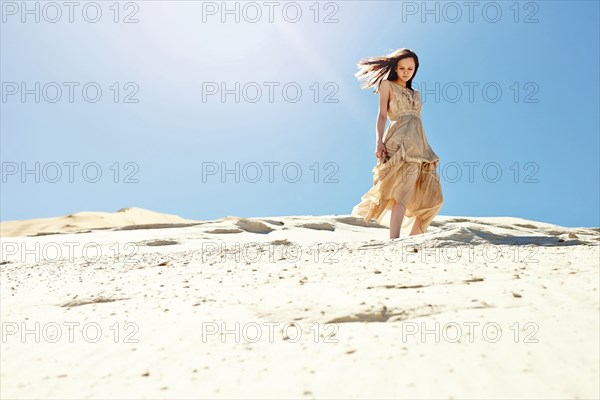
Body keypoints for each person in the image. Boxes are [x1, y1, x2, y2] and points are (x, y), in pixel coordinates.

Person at [351, 48, 444, 240]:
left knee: (434, 199)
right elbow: (382, 115)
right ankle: (395, 241)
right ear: (395, 68)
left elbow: (416, 119)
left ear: (415, 69)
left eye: (410, 68)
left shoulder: (416, 93)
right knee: (402, 193)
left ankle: (411, 240)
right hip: (398, 142)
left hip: (420, 145)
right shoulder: (387, 85)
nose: (406, 71)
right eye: (401, 67)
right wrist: (379, 142)